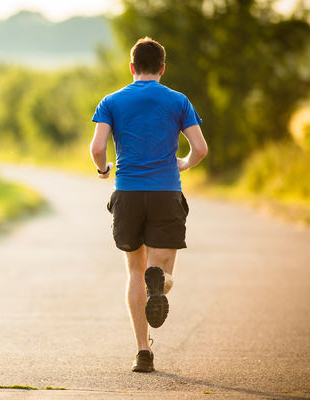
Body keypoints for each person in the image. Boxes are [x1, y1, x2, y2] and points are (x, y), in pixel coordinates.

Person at [89, 37, 208, 373]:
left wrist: (103, 170)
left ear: (131, 67)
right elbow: (200, 149)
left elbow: (97, 148)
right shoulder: (178, 101)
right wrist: (183, 163)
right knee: (162, 272)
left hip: (127, 193)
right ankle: (162, 284)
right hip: (165, 193)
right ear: (162, 68)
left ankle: (143, 352)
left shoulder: (111, 101)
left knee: (134, 272)